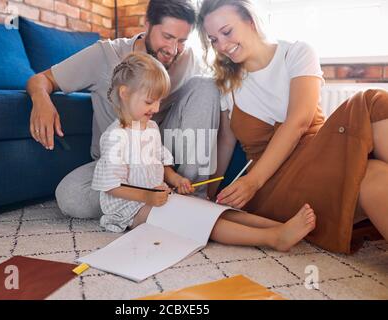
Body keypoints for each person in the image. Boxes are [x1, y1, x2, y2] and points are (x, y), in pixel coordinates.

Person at [197, 0, 388, 253]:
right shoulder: (227, 84)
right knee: (373, 174)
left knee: (375, 106)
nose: (222, 45)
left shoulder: (296, 53)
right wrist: (209, 192)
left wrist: (252, 181)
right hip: (273, 182)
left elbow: (299, 121)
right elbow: (225, 142)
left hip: (319, 156)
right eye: (213, 40)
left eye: (226, 32)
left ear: (250, 22)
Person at [93, 52, 317, 252]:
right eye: (150, 101)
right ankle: (273, 238)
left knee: (209, 208)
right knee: (197, 221)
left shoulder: (150, 127)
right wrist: (146, 196)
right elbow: (112, 186)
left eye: (160, 101)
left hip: (156, 197)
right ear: (124, 93)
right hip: (130, 210)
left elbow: (161, 163)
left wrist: (177, 178)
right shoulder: (116, 137)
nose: (157, 109)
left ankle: (281, 226)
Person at [26, 0, 221, 220]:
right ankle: (152, 199)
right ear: (147, 25)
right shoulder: (105, 55)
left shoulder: (187, 59)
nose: (173, 50)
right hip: (121, 165)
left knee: (207, 85)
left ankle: (191, 196)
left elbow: (211, 101)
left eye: (182, 41)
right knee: (71, 196)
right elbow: (41, 79)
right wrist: (41, 99)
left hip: (165, 156)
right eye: (167, 37)